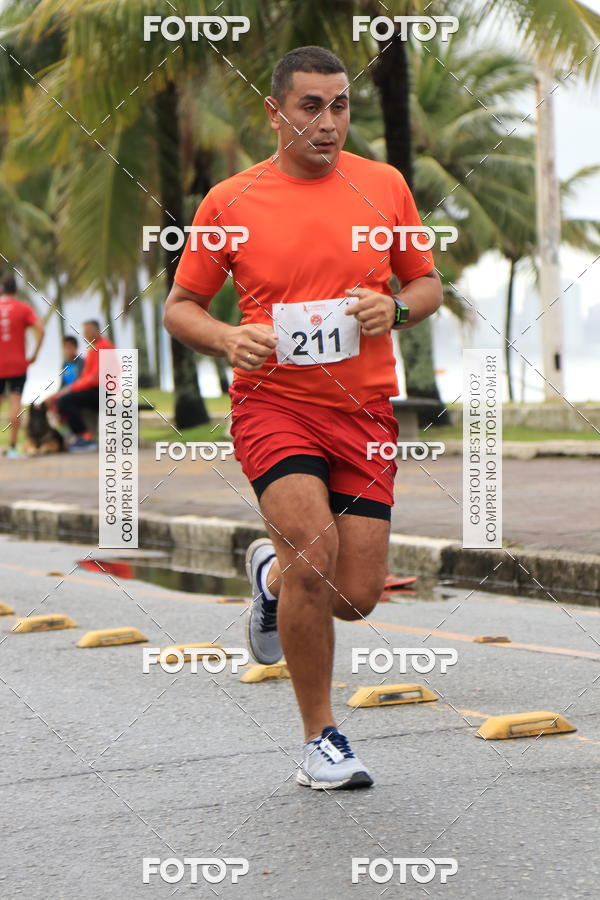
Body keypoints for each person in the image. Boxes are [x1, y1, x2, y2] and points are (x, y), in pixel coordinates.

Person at [164, 46, 442, 790]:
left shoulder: (384, 186)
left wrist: (398, 308)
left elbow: (426, 283)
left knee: (356, 595)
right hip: (274, 406)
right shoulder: (230, 201)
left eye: (340, 105)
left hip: (364, 412)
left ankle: (268, 581)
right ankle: (322, 736)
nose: (328, 122)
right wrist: (227, 337)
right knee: (312, 556)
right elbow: (180, 307)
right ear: (276, 111)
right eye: (311, 106)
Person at [49, 320, 113, 451]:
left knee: (64, 400)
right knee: (61, 400)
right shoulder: (93, 349)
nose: (86, 334)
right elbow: (85, 378)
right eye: (85, 331)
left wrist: (70, 389)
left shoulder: (103, 347)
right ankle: (71, 437)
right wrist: (61, 392)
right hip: (95, 390)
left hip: (103, 391)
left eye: (89, 330)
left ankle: (85, 437)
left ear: (97, 331)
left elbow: (94, 378)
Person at [0, 274, 45, 458]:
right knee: (15, 404)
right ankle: (12, 446)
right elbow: (40, 329)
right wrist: (34, 354)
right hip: (18, 364)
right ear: (16, 291)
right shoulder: (23, 308)